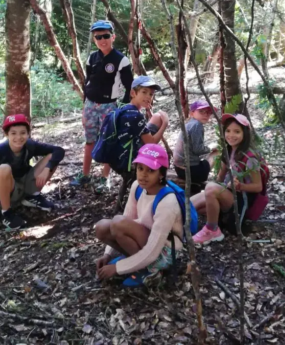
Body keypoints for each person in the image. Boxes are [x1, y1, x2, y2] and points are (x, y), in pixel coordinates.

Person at [94, 144, 184, 287]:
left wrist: (118, 267)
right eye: (140, 168)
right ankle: (135, 262)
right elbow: (126, 218)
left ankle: (149, 270)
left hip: (164, 251)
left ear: (161, 173)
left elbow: (153, 251)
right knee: (101, 227)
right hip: (145, 239)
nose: (143, 175)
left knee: (118, 223)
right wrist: (108, 254)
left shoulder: (167, 201)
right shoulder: (137, 187)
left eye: (151, 170)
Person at [70, 20, 134, 193]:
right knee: (90, 140)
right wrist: (85, 107)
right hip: (91, 105)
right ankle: (85, 175)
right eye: (98, 37)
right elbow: (87, 82)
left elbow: (130, 87)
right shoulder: (92, 57)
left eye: (105, 36)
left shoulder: (122, 60)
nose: (102, 40)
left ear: (113, 37)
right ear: (94, 39)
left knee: (108, 141)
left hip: (109, 106)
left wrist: (124, 109)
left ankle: (104, 178)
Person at [0, 114, 65, 229]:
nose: (18, 137)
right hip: (4, 186)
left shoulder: (30, 145)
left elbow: (59, 150)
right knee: (4, 168)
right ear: (6, 134)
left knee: (52, 156)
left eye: (23, 132)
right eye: (13, 133)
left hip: (24, 182)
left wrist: (48, 168)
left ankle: (32, 196)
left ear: (28, 133)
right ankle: (6, 213)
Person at [191, 113, 268, 245]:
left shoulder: (250, 158)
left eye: (237, 131)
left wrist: (239, 186)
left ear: (245, 134)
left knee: (210, 189)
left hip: (242, 200)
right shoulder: (229, 151)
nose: (231, 135)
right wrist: (217, 186)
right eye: (228, 130)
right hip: (230, 193)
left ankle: (212, 230)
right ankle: (174, 222)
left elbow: (258, 187)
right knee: (191, 204)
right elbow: (220, 177)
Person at [173, 100, 218, 194]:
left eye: (208, 112)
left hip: (179, 168)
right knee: (216, 153)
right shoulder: (197, 125)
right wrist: (210, 148)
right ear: (192, 113)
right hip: (190, 171)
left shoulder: (189, 124)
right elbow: (197, 149)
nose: (205, 115)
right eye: (201, 111)